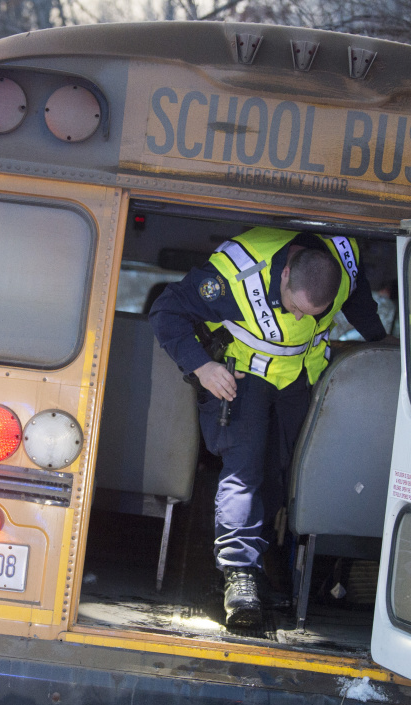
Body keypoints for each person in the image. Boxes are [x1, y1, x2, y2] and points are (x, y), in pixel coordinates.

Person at [149, 227, 386, 627]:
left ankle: (256, 563)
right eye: (294, 307)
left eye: (309, 315)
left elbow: (359, 302)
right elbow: (167, 310)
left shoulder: (345, 262)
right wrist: (201, 366)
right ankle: (239, 575)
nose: (296, 317)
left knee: (279, 473)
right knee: (244, 470)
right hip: (244, 375)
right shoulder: (235, 273)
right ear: (286, 275)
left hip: (298, 380)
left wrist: (384, 344)